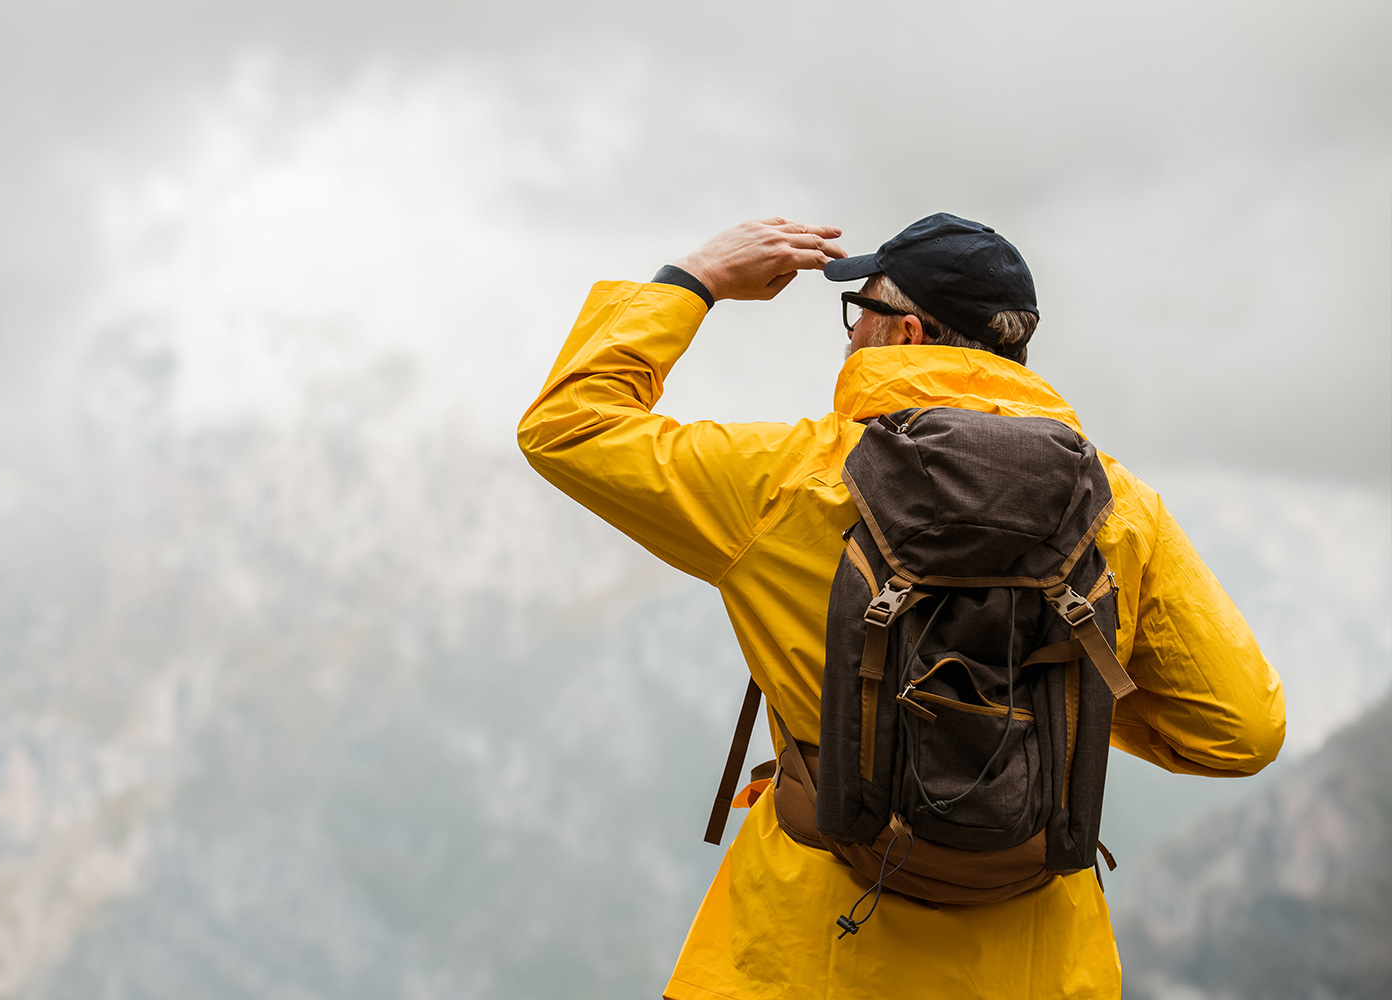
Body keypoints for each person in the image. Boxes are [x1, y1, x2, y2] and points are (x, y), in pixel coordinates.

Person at [516, 214, 1286, 999]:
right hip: (1031, 967)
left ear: (904, 331)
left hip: (809, 950)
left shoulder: (787, 483)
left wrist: (697, 278)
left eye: (860, 315)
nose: (851, 339)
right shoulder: (1119, 509)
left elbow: (568, 427)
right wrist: (1055, 695)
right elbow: (1241, 732)